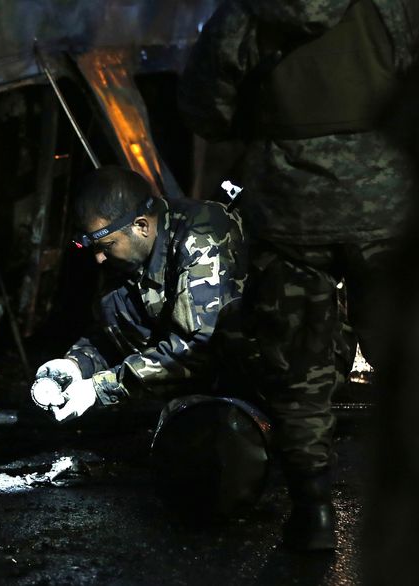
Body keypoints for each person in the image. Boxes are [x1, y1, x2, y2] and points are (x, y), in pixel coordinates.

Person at [177, 0, 418, 551]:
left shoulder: (249, 11)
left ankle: (314, 510)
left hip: (288, 209)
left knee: (299, 358)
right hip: (386, 203)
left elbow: (205, 108)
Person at [31, 165, 249, 432]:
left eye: (105, 246)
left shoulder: (203, 236)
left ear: (141, 226)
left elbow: (198, 349)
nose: (98, 258)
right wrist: (77, 364)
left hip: (251, 388)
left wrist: (100, 388)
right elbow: (115, 334)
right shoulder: (124, 258)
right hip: (189, 401)